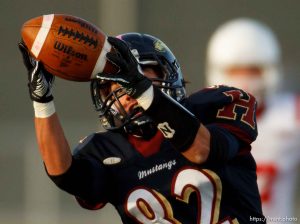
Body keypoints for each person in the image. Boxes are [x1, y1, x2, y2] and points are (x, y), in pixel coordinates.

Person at [19, 32, 265, 223]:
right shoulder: (108, 150)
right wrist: (42, 102)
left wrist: (140, 89)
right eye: (114, 90)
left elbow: (202, 150)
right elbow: (64, 174)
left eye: (132, 82)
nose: (125, 95)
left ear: (165, 74)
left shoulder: (211, 107)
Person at [206, 18, 300, 222]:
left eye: (253, 70)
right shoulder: (200, 119)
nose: (245, 80)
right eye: (237, 71)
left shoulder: (291, 115)